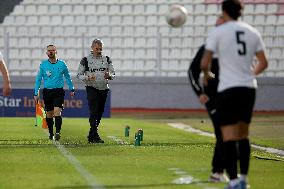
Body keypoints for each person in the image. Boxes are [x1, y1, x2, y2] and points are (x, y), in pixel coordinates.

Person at [201, 0, 268, 188]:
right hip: (248, 89)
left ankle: (233, 180)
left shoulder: (218, 31)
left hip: (228, 89)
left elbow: (204, 63)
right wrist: (249, 75)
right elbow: (263, 62)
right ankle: (244, 178)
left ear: (224, 12)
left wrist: (207, 76)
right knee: (243, 135)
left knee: (229, 136)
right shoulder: (252, 32)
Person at [188, 16, 228, 183]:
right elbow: (192, 71)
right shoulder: (207, 49)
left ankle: (222, 171)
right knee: (222, 132)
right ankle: (218, 171)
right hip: (213, 98)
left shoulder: (231, 49)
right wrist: (200, 93)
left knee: (230, 134)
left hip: (231, 95)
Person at [77, 39, 115, 143]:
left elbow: (113, 73)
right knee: (94, 111)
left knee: (99, 112)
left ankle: (91, 134)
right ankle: (95, 135)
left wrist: (109, 76)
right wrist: (87, 78)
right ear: (92, 48)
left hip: (103, 88)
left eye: (100, 49)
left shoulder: (107, 59)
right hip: (91, 87)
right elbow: (79, 75)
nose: (99, 51)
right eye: (97, 49)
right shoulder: (85, 60)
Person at [34, 45, 75, 141]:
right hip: (47, 92)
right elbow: (38, 79)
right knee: (49, 114)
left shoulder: (62, 64)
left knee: (57, 111)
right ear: (46, 53)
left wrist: (71, 88)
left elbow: (68, 77)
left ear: (56, 51)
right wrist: (36, 93)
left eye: (52, 50)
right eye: (49, 51)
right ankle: (51, 133)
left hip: (58, 91)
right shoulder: (43, 65)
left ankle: (57, 132)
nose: (50, 52)